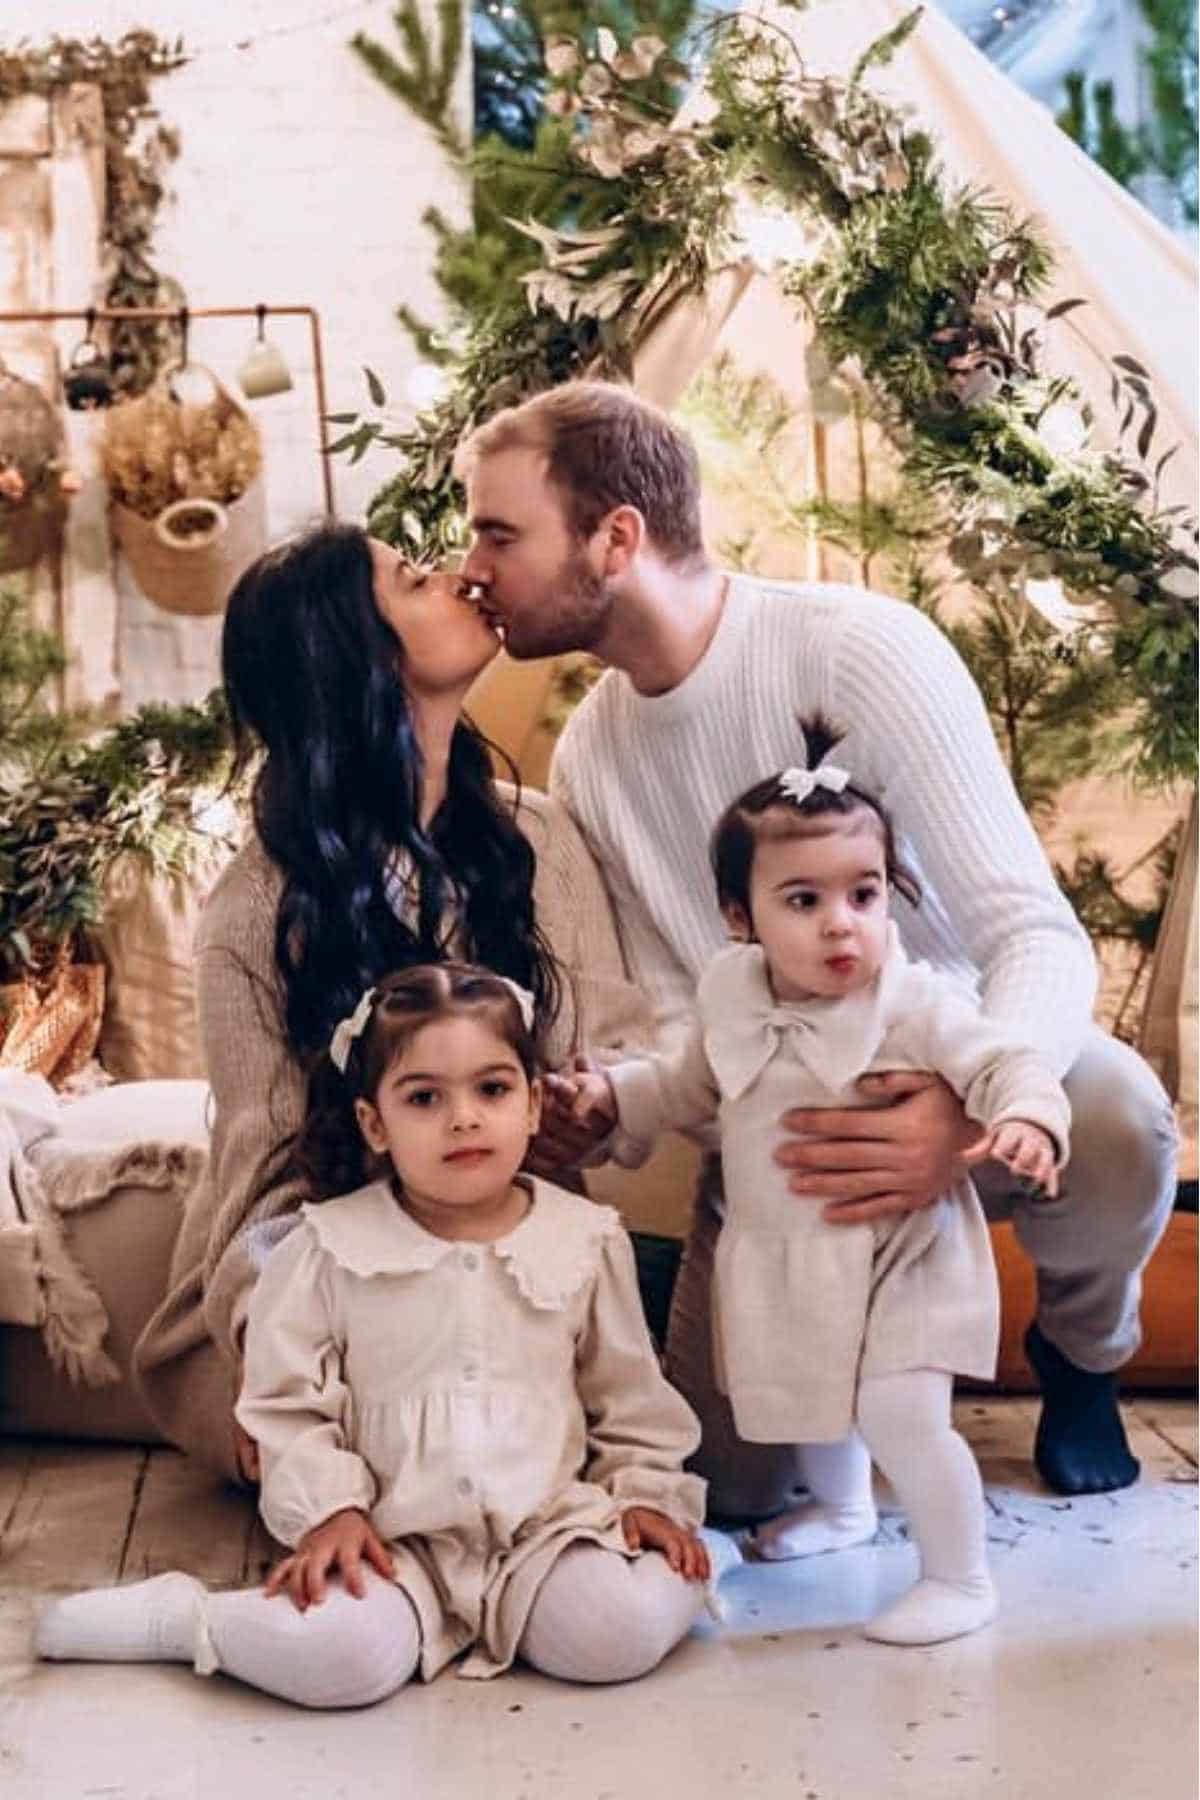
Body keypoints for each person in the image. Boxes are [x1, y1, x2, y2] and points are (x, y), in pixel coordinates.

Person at [455, 379, 1178, 1506]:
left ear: (616, 539)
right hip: (784, 1130)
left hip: (952, 1056)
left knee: (1121, 1115)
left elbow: (1032, 933)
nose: (472, 570)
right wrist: (626, 1103)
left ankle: (1082, 1353)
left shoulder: (858, 652)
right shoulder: (593, 752)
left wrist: (962, 1108)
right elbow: (678, 1004)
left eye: (499, 534)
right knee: (738, 1486)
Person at [38, 963, 721, 1706]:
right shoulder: (324, 1250)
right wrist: (331, 1510)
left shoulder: (584, 1240)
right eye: (425, 1098)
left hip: (549, 1532)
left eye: (492, 1090)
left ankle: (703, 1564)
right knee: (345, 1660)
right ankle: (190, 1620)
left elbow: (628, 1397)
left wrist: (644, 1495)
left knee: (616, 1632)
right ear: (375, 1124)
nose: (463, 1118)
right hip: (392, 1541)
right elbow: (287, 1411)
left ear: (532, 1105)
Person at [132, 523, 647, 1480]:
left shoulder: (538, 840)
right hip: (312, 1286)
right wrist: (294, 1364)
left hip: (509, 1263)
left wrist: (593, 1108)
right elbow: (265, 1184)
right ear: (359, 661)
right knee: (397, 1452)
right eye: (414, 580)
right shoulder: (258, 907)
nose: (459, 578)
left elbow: (606, 1068)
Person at [565, 729, 1071, 1644]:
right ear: (740, 916)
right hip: (786, 1252)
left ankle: (961, 1577)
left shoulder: (911, 1003)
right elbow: (686, 1084)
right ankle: (844, 1510)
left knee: (899, 1412)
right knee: (810, 1393)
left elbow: (1002, 1061)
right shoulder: (731, 995)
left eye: (863, 894)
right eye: (804, 900)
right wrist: (613, 1096)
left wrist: (1028, 1119)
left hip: (904, 1248)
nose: (842, 923)